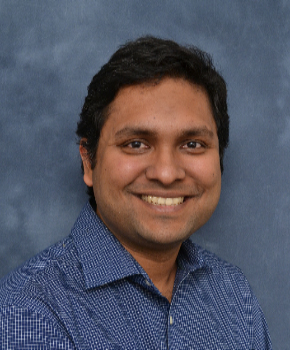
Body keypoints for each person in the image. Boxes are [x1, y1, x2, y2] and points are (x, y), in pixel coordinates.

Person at [0, 36, 272, 349]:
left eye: (192, 144)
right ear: (89, 162)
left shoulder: (233, 294)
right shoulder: (27, 312)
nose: (167, 173)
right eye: (136, 144)